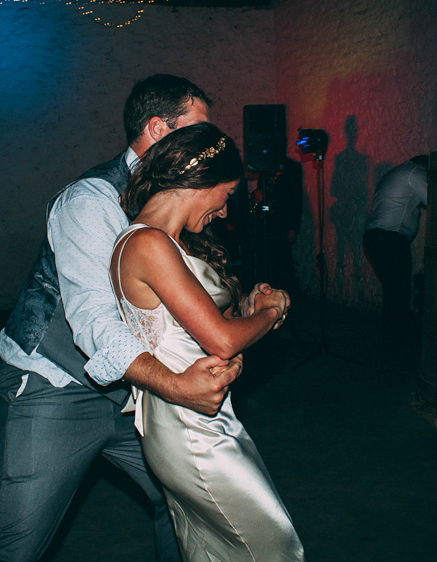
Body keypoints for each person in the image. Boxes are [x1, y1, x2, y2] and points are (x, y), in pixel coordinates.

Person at [0, 74, 280, 562]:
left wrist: (243, 311)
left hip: (135, 392)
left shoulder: (175, 197)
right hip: (54, 387)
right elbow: (96, 321)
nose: (209, 141)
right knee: (17, 546)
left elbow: (178, 301)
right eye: (198, 128)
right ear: (159, 130)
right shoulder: (90, 200)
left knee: (185, 503)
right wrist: (178, 386)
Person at [112, 123, 304, 561]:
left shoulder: (163, 241)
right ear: (199, 182)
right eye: (227, 193)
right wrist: (272, 312)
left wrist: (248, 312)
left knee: (213, 552)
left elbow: (198, 327)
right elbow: (219, 340)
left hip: (198, 418)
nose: (223, 210)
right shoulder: (148, 244)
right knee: (275, 548)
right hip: (189, 428)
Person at [362, 155, 428, 352]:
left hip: (376, 238)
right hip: (389, 240)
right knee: (398, 293)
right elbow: (434, 198)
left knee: (394, 293)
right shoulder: (415, 173)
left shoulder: (397, 172)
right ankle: (400, 345)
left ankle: (394, 342)